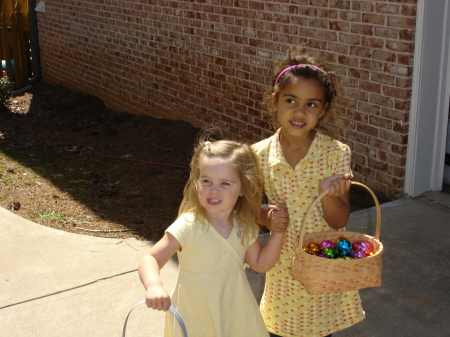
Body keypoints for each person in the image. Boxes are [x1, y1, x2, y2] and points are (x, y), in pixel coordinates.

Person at [252, 45, 365, 337]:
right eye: (291, 100)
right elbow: (247, 208)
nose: (300, 111)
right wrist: (266, 217)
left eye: (312, 104)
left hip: (321, 263)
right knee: (280, 328)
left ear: (323, 109)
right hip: (282, 268)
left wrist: (331, 194)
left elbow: (339, 221)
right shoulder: (259, 155)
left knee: (318, 330)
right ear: (274, 100)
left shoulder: (335, 153)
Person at [138, 138, 285, 337]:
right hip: (195, 312)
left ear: (242, 188)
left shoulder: (242, 225)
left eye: (225, 183)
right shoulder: (189, 225)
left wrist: (278, 232)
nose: (213, 189)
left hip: (234, 311)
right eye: (206, 180)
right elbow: (151, 258)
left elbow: (260, 263)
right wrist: (154, 285)